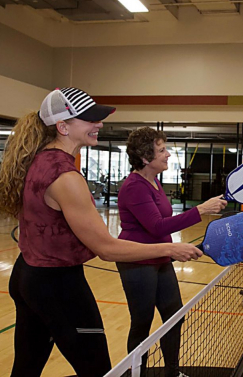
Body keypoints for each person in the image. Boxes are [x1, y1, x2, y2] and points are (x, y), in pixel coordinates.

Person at [0, 88, 202, 377]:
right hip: (59, 286)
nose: (100, 124)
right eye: (90, 119)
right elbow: (107, 249)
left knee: (26, 368)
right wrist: (170, 249)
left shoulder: (38, 161)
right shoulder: (65, 177)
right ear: (63, 127)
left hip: (28, 276)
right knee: (97, 370)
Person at [116, 127, 227, 377]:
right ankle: (136, 373)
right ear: (145, 158)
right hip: (137, 261)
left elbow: (162, 222)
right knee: (142, 324)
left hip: (161, 258)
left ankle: (172, 371)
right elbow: (156, 227)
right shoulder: (134, 186)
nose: (168, 154)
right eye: (162, 150)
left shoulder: (154, 181)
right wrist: (201, 210)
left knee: (174, 316)